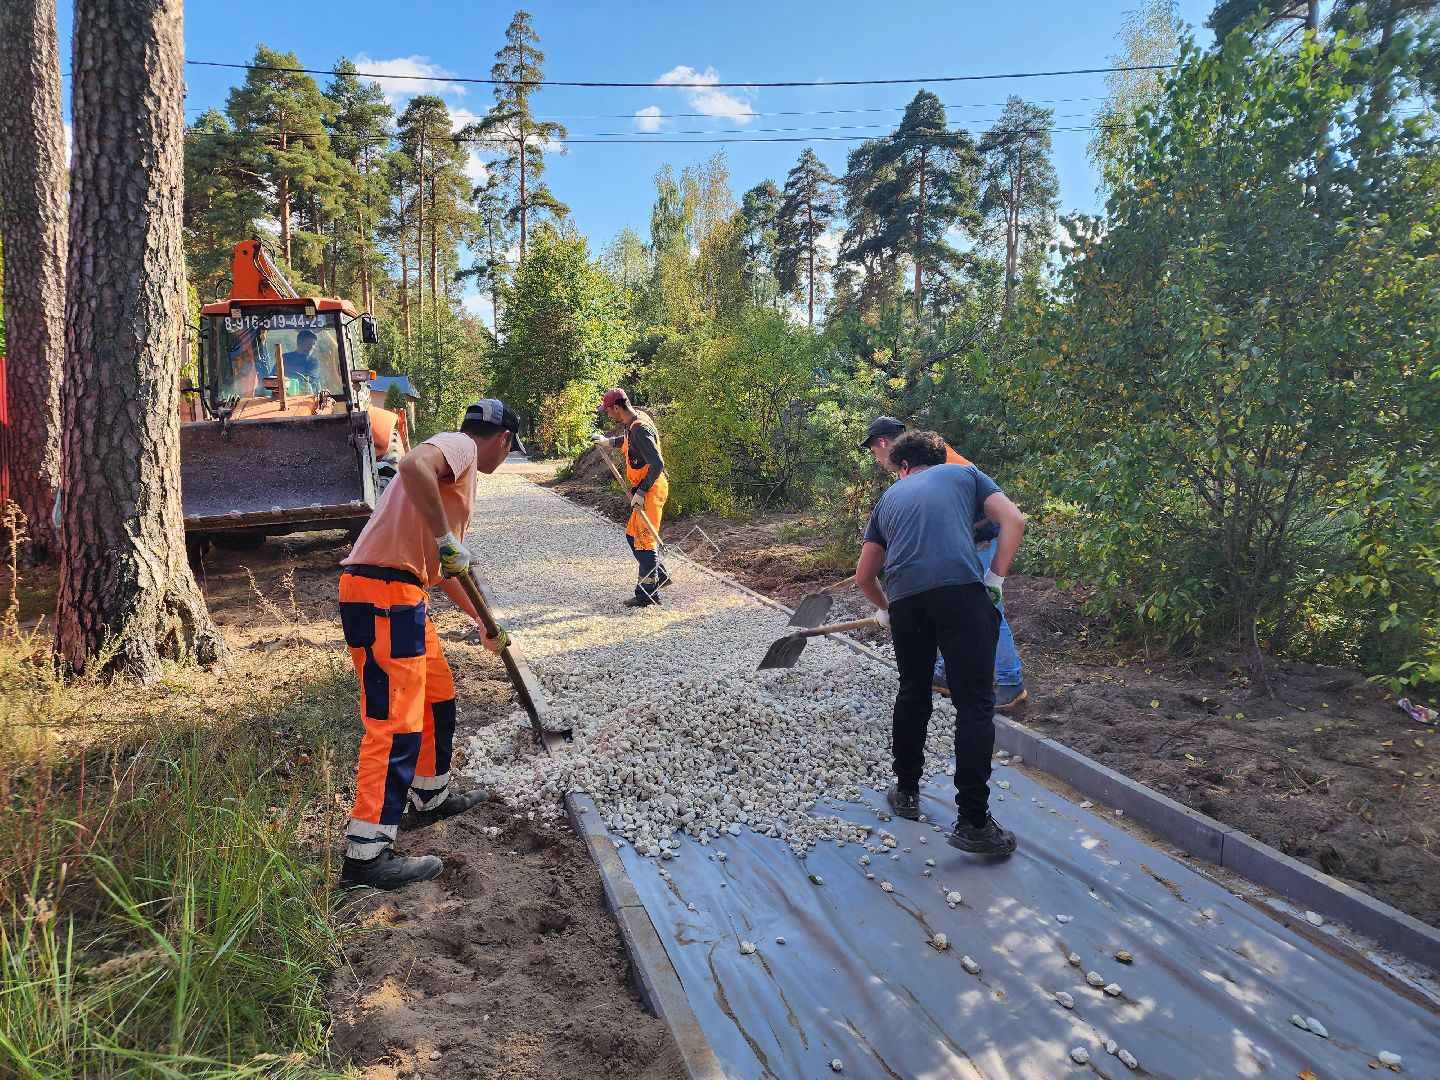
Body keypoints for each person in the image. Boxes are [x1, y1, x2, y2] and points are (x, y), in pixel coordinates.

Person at [336, 399, 525, 890]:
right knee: (394, 724)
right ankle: (366, 857)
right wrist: (445, 536)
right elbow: (412, 461)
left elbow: (445, 572)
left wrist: (484, 621)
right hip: (382, 594)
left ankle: (429, 795)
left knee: (438, 697)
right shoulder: (460, 448)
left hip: (407, 593)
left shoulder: (454, 479)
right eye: (509, 449)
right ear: (502, 440)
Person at [856, 430, 1026, 855]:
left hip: (908, 601)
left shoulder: (886, 502)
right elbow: (1015, 521)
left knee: (913, 693)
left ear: (905, 466)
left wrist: (886, 609)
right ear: (939, 458)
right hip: (961, 595)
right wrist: (994, 581)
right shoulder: (964, 474)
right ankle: (972, 821)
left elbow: (864, 577)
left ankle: (906, 793)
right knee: (974, 704)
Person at [860, 415, 1027, 711]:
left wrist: (986, 545)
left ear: (883, 443)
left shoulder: (942, 459)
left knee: (985, 607)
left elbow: (981, 497)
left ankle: (1010, 680)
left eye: (874, 452)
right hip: (958, 541)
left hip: (977, 540)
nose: (877, 460)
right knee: (952, 606)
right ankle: (948, 672)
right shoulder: (919, 459)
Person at [590, 388, 671, 608]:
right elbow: (628, 442)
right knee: (632, 537)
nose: (608, 415)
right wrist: (607, 441)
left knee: (644, 542)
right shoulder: (635, 422)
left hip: (651, 489)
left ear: (617, 408)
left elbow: (657, 463)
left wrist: (642, 492)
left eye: (608, 411)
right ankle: (659, 573)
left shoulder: (640, 428)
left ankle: (647, 595)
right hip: (645, 488)